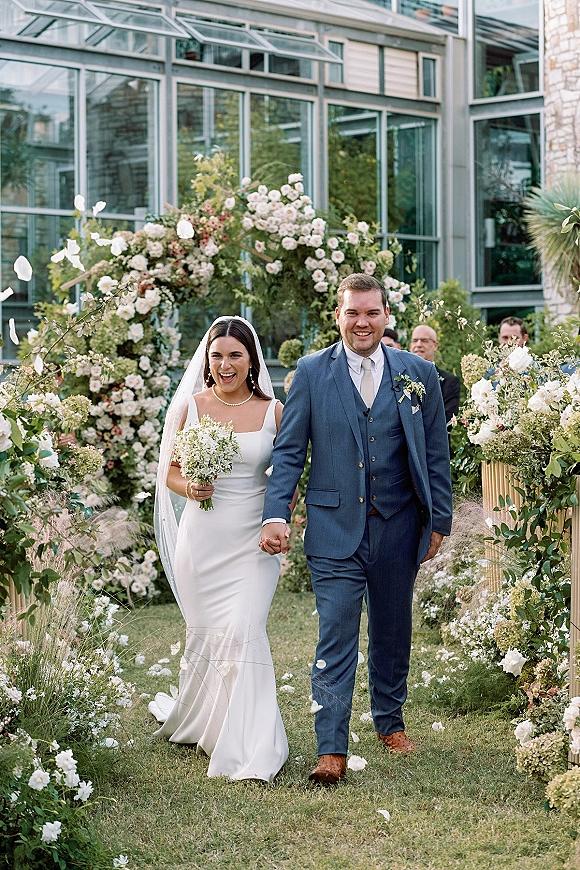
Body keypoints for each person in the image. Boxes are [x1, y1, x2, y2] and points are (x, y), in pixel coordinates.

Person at [259, 274, 453, 784]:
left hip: (399, 525)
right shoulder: (309, 373)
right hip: (333, 528)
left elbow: (435, 454)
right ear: (338, 316)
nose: (362, 322)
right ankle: (331, 747)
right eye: (352, 313)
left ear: (386, 315)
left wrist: (440, 520)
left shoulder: (418, 374)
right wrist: (276, 512)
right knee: (336, 634)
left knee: (393, 630)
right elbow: (288, 452)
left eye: (371, 312)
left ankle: (390, 721)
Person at [150, 316, 289, 782]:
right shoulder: (191, 406)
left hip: (254, 541)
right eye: (217, 355)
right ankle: (206, 725)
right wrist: (190, 487)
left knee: (244, 630)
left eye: (235, 354)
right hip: (202, 540)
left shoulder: (275, 412)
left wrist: (282, 519)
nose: (225, 364)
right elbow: (167, 471)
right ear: (206, 360)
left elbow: (287, 477)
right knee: (208, 634)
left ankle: (252, 748)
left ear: (251, 360)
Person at [409, 324, 461, 425]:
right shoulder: (398, 377)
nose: (418, 344)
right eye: (415, 340)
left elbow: (447, 419)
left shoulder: (449, 382)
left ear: (435, 345)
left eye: (424, 340)